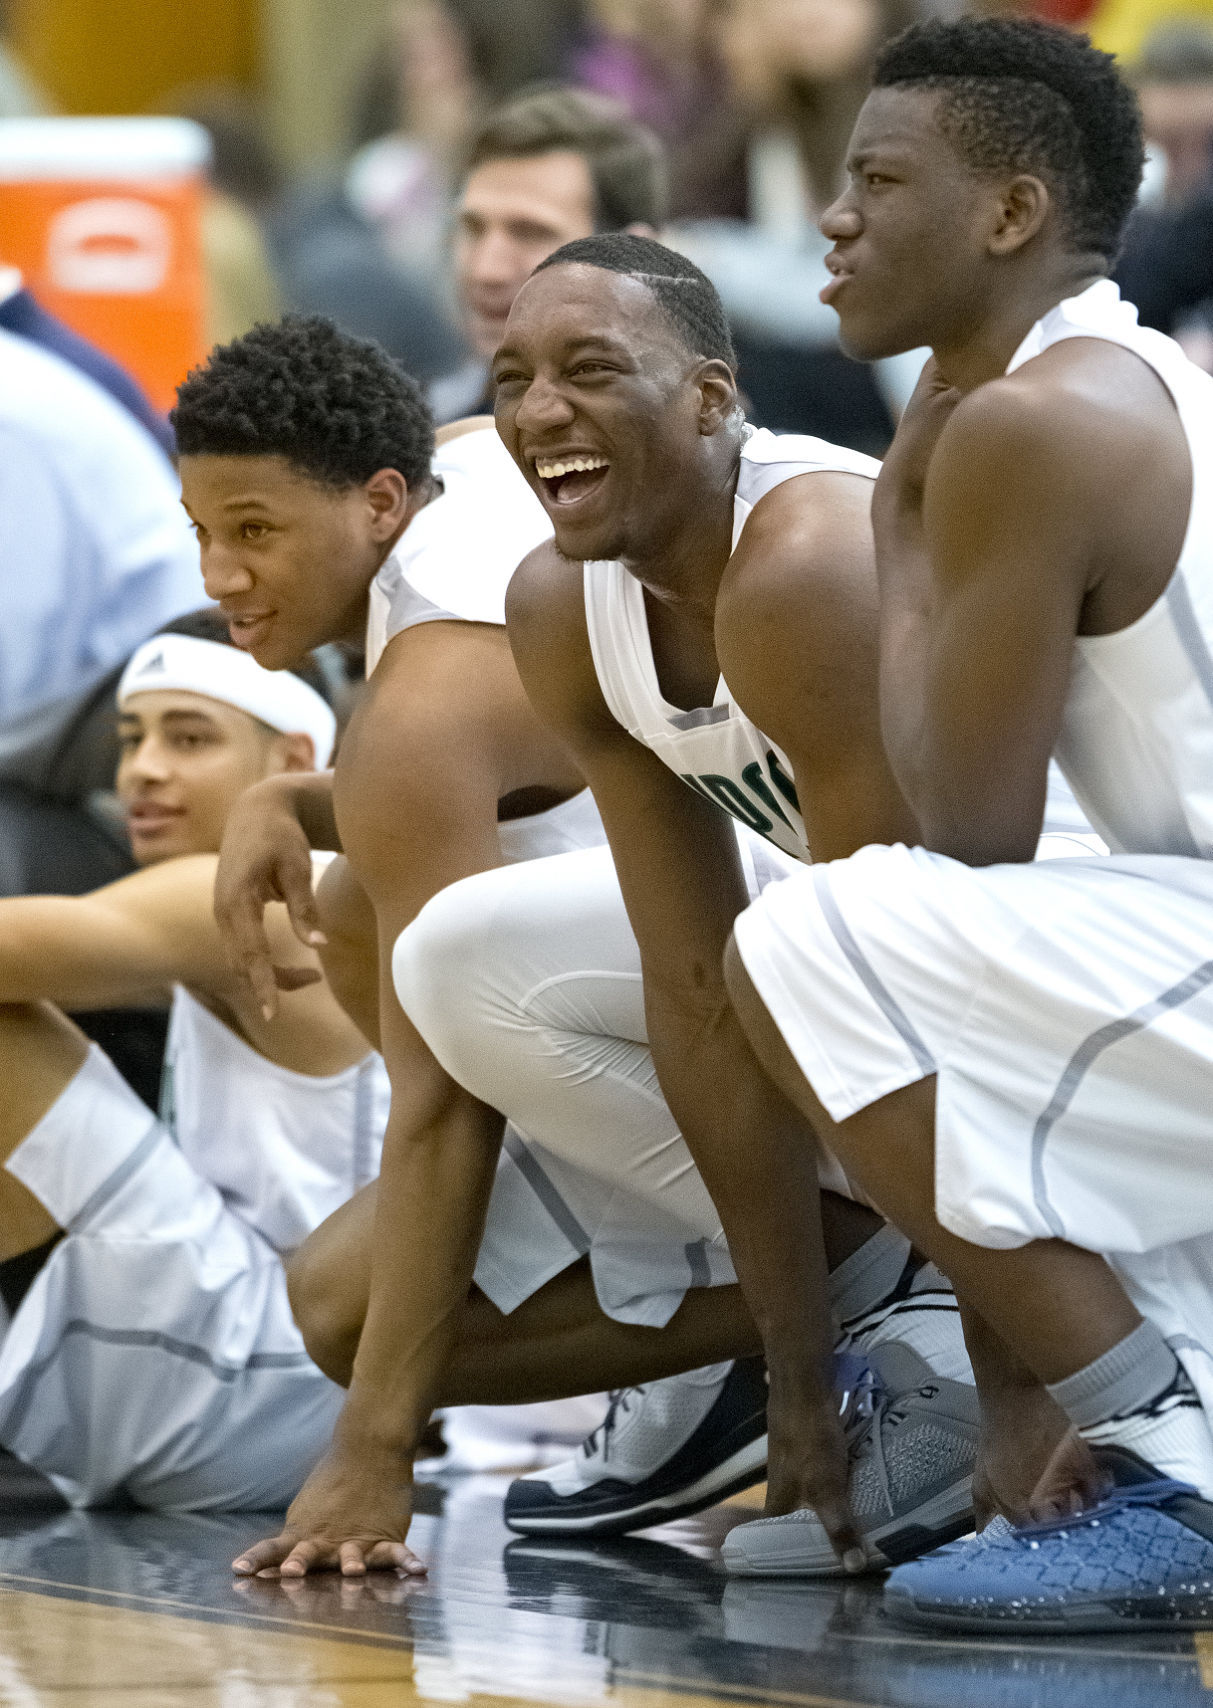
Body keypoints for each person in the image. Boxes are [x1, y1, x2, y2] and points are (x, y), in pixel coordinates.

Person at [189, 311, 976, 1579]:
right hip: (798, 946)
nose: (221, 572)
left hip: (837, 989)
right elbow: (533, 759)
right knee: (363, 917)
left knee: (356, 1291)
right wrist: (288, 798)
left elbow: (444, 1107)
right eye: (204, 534)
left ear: (381, 502)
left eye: (256, 531)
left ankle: (888, 1287)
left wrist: (375, 1445)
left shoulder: (420, 699)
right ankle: (751, 1341)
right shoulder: (472, 476)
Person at [723, 16, 1213, 1629]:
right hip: (1179, 939)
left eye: (875, 180)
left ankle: (1166, 1451)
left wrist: (894, 519)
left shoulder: (1022, 422)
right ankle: (1095, 1398)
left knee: (810, 932)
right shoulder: (1106, 376)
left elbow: (965, 823)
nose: (832, 221)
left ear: (1007, 213)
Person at [0, 611, 390, 1510]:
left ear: (293, 761)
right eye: (133, 737)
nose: (142, 769)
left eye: (189, 737)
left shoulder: (253, 893)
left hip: (266, 1380)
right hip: (289, 1391)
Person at [429, 85, 667, 422]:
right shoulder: (437, 433)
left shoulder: (712, 458)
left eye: (530, 233)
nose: (486, 270)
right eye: (473, 229)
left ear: (635, 259)